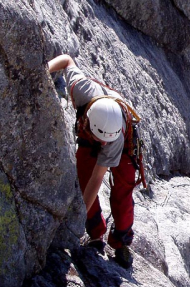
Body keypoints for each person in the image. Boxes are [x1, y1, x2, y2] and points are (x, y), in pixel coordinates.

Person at [48, 54, 138, 268]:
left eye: (106, 143)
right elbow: (66, 60)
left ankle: (121, 242)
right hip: (96, 129)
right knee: (82, 175)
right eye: (101, 142)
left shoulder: (113, 139)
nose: (103, 146)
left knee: (123, 190)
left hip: (124, 136)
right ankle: (96, 233)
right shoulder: (82, 90)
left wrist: (75, 220)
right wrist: (44, 70)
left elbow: (98, 179)